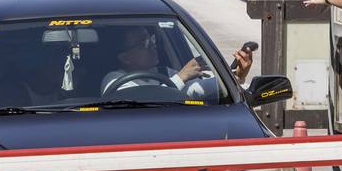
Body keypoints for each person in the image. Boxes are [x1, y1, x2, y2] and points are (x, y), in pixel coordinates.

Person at [101, 26, 253, 99]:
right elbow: (142, 102)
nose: (153, 45)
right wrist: (181, 77)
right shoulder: (114, 80)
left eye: (152, 39)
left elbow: (196, 89)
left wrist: (236, 77)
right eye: (144, 44)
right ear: (125, 58)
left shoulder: (163, 72)